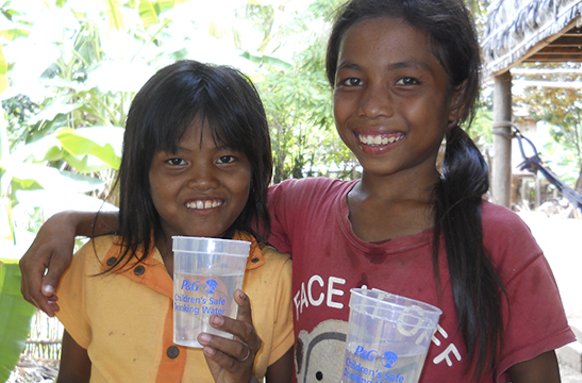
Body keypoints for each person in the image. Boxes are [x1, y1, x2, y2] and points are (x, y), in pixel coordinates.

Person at [20, 0, 575, 382]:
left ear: (455, 101)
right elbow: (198, 208)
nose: (373, 103)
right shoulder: (301, 209)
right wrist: (72, 219)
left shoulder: (499, 241)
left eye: (406, 80)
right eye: (352, 80)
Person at [46, 60, 293, 383]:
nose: (204, 180)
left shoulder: (277, 280)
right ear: (143, 172)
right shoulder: (95, 263)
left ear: (256, 167)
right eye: (176, 161)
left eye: (226, 159)